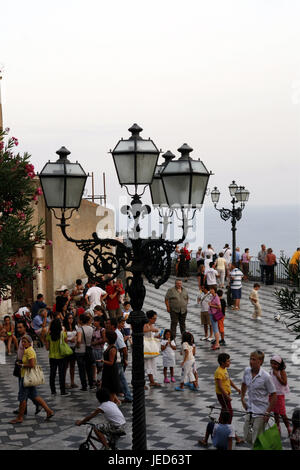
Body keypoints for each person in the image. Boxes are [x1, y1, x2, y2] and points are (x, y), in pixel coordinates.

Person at [10, 335, 54, 423]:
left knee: (22, 398)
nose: (23, 343)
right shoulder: (27, 350)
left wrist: (22, 365)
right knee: (35, 396)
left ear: (30, 343)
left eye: (25, 342)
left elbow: (32, 364)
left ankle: (20, 417)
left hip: (26, 377)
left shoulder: (29, 351)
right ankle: (49, 411)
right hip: (28, 376)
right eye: (22, 342)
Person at [241, 350, 277, 447]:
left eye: (254, 359)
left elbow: (274, 395)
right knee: (247, 436)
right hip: (250, 409)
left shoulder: (266, 377)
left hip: (261, 411)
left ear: (260, 361)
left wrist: (268, 412)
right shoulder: (247, 371)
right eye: (250, 359)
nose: (251, 361)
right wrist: (242, 398)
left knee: (257, 439)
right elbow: (244, 383)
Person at [12, 321, 41, 417]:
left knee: (24, 390)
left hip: (24, 367)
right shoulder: (22, 338)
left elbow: (28, 354)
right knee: (30, 391)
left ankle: (25, 409)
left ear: (25, 328)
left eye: (20, 327)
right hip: (21, 365)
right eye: (18, 327)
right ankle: (26, 408)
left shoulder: (27, 340)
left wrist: (22, 364)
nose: (18, 329)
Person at [214, 353, 243, 444]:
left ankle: (220, 429)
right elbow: (220, 386)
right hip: (223, 395)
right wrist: (226, 396)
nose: (229, 362)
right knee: (229, 413)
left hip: (226, 395)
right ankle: (228, 431)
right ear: (222, 362)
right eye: (228, 361)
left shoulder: (224, 369)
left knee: (225, 412)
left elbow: (228, 381)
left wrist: (237, 388)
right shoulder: (219, 372)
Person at [45, 318, 69, 396]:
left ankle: (53, 390)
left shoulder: (49, 335)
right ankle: (62, 391)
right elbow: (66, 344)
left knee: (52, 373)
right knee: (62, 374)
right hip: (61, 356)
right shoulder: (63, 334)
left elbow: (47, 348)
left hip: (52, 356)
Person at [269, 355, 291, 436]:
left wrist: (277, 376)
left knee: (282, 413)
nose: (273, 365)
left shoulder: (282, 372)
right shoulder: (271, 371)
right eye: (272, 363)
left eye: (276, 364)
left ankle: (288, 427)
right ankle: (277, 427)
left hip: (280, 395)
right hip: (272, 394)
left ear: (280, 365)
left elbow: (284, 383)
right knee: (275, 413)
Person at [99, 329, 121, 404]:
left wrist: (102, 361)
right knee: (109, 389)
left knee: (111, 389)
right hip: (107, 370)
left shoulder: (112, 349)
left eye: (105, 337)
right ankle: (117, 402)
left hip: (111, 371)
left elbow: (111, 362)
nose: (104, 338)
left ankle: (112, 405)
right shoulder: (109, 346)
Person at [75, 313, 95, 391]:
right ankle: (91, 384)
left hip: (80, 350)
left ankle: (84, 385)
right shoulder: (91, 328)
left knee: (81, 369)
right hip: (88, 349)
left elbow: (79, 340)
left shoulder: (80, 329)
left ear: (81, 320)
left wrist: (77, 345)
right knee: (89, 368)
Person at [143, 310, 161, 388]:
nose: (155, 320)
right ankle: (142, 383)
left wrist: (157, 336)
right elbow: (143, 331)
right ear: (149, 318)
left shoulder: (151, 325)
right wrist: (151, 329)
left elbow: (152, 335)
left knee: (151, 364)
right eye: (154, 318)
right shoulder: (145, 325)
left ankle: (152, 381)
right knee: (144, 365)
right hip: (145, 347)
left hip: (150, 347)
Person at [63, 313, 79, 389]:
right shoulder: (64, 328)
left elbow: (77, 335)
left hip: (73, 348)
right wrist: (70, 339)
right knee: (65, 366)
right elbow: (63, 338)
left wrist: (75, 338)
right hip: (67, 348)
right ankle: (64, 382)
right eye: (69, 318)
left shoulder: (75, 327)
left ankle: (72, 382)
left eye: (72, 318)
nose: (71, 319)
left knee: (72, 365)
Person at [91, 315, 106, 387]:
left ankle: (100, 380)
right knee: (95, 365)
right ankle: (97, 379)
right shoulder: (94, 330)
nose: (94, 322)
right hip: (94, 349)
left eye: (95, 321)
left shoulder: (102, 330)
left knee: (100, 366)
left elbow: (104, 339)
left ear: (99, 322)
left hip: (100, 350)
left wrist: (95, 343)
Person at [208, 287, 221, 351]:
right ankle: (217, 343)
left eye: (212, 289)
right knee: (214, 328)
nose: (210, 290)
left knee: (215, 329)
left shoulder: (216, 298)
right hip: (211, 314)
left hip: (214, 314)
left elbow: (219, 307)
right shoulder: (212, 296)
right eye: (210, 289)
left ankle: (217, 344)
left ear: (214, 290)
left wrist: (211, 305)